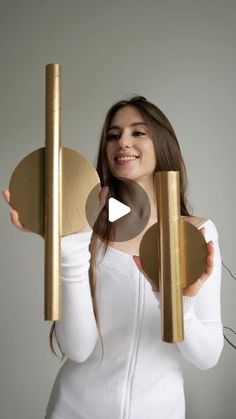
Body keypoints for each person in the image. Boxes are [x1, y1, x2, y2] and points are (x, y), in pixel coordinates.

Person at [2, 96, 224, 419]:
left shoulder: (195, 233)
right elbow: (78, 349)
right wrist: (70, 246)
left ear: (162, 142)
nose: (123, 142)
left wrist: (177, 303)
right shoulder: (86, 225)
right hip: (74, 410)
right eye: (113, 134)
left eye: (138, 132)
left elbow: (208, 356)